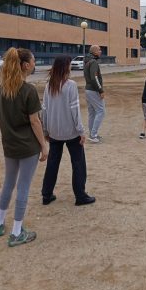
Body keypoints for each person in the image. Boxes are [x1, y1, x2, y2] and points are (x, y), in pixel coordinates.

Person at [0, 47, 49, 247]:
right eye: (33, 61)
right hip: (27, 147)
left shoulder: (1, 90)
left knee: (8, 183)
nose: (34, 64)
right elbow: (35, 121)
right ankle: (16, 232)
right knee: (23, 187)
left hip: (10, 145)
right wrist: (44, 145)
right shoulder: (28, 91)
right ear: (25, 65)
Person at [41, 55, 96, 206]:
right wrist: (81, 131)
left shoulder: (49, 85)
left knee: (52, 162)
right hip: (71, 132)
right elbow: (74, 110)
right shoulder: (70, 85)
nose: (71, 67)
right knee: (78, 163)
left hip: (54, 131)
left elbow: (44, 109)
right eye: (70, 64)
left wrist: (45, 130)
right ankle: (80, 195)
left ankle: (46, 194)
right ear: (66, 67)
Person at [83, 44, 105, 143]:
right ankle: (93, 135)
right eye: (99, 50)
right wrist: (100, 90)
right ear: (94, 51)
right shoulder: (93, 62)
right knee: (101, 111)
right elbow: (94, 78)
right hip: (93, 90)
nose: (101, 51)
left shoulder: (87, 61)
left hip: (88, 90)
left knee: (92, 113)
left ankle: (92, 134)